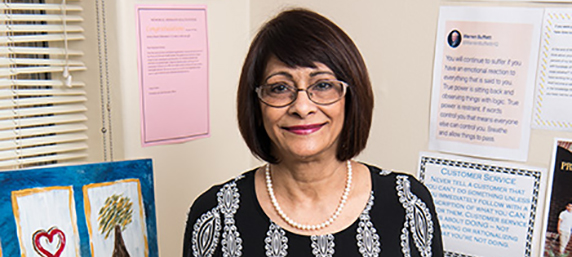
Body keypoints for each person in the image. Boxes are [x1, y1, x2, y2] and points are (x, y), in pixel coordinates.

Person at [183, 8, 443, 257]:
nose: (302, 107)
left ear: (350, 99)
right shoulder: (215, 215)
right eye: (279, 88)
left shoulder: (408, 202)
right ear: (257, 105)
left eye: (322, 85)